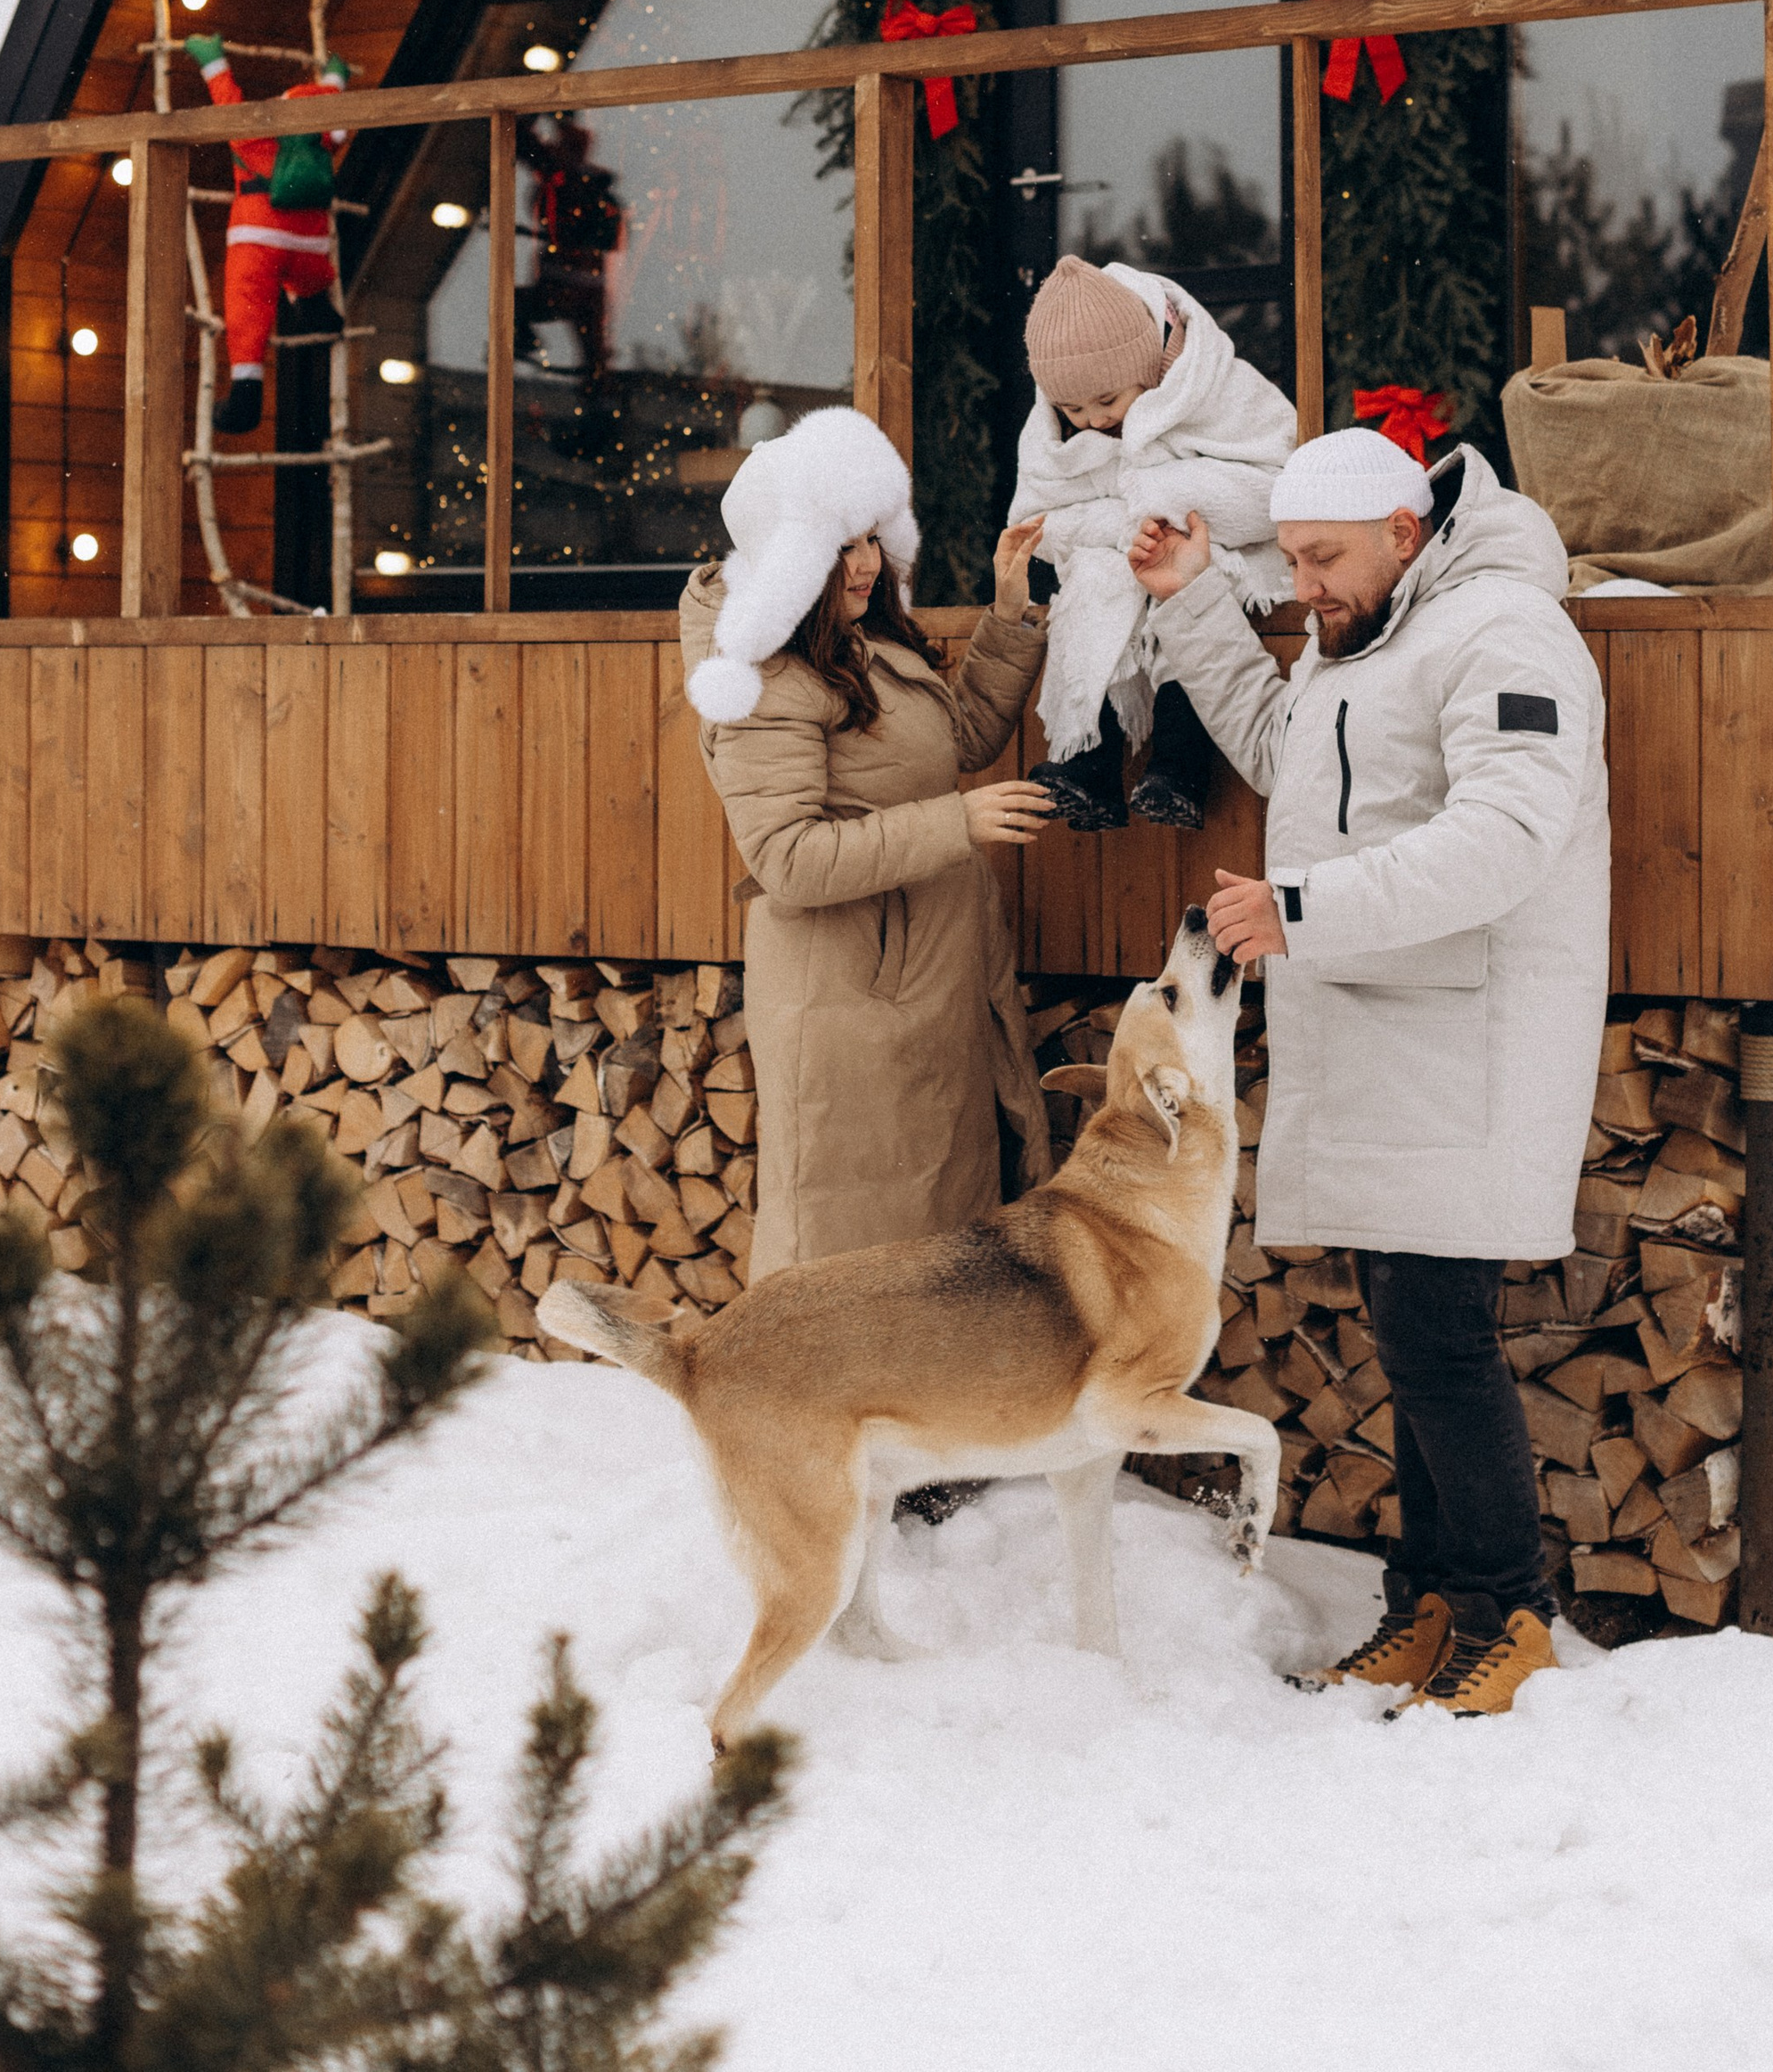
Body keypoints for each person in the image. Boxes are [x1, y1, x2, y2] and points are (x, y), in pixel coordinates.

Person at [1128, 422, 1608, 1720]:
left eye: (1324, 558)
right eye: (1289, 560)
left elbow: (1506, 839)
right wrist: (1190, 608)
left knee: (1442, 1336)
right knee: (1410, 1327)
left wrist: (1302, 913)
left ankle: (1515, 1612)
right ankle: (1434, 1601)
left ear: (1409, 532)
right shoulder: (1371, 644)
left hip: (1470, 1044)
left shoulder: (1507, 635)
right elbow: (1295, 760)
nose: (1304, 587)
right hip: (1392, 1035)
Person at [682, 405, 1057, 1278]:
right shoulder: (765, 682)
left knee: (937, 1245)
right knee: (848, 1253)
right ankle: (806, 1409)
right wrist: (952, 826)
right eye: (840, 543)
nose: (863, 563)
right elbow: (785, 860)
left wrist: (1007, 617)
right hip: (847, 994)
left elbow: (954, 742)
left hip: (927, 975)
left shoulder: (865, 643)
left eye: (871, 539)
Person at [1010, 254, 1295, 831]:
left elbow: (1276, 486)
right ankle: (1088, 761)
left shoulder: (1218, 387)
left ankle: (1179, 765)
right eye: (1072, 409)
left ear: (1151, 369)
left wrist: (1165, 501)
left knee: (1190, 593)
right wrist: (1126, 526)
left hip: (1213, 554)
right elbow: (1038, 521)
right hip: (1121, 558)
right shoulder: (1053, 432)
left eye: (1108, 403)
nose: (1091, 421)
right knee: (1094, 584)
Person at [184, 32, 348, 435]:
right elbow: (326, 102)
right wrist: (336, 77)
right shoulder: (322, 141)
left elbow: (228, 100)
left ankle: (246, 394)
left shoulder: (258, 133)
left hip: (257, 236)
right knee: (308, 277)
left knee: (248, 311)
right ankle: (314, 305)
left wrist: (212, 61)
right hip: (309, 242)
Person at [515, 115, 623, 385]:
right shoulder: (589, 181)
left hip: (564, 280)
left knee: (511, 305)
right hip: (589, 283)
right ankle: (598, 381)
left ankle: (523, 339)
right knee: (592, 346)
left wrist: (534, 114)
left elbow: (521, 141)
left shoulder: (561, 172)